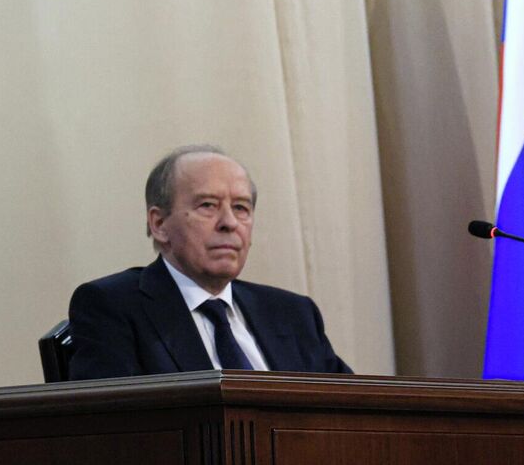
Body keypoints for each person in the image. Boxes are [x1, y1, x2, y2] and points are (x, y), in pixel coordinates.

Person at [65, 145, 351, 380]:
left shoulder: (292, 313)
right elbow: (112, 425)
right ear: (159, 224)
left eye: (241, 208)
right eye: (208, 205)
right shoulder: (113, 307)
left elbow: (353, 411)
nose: (229, 222)